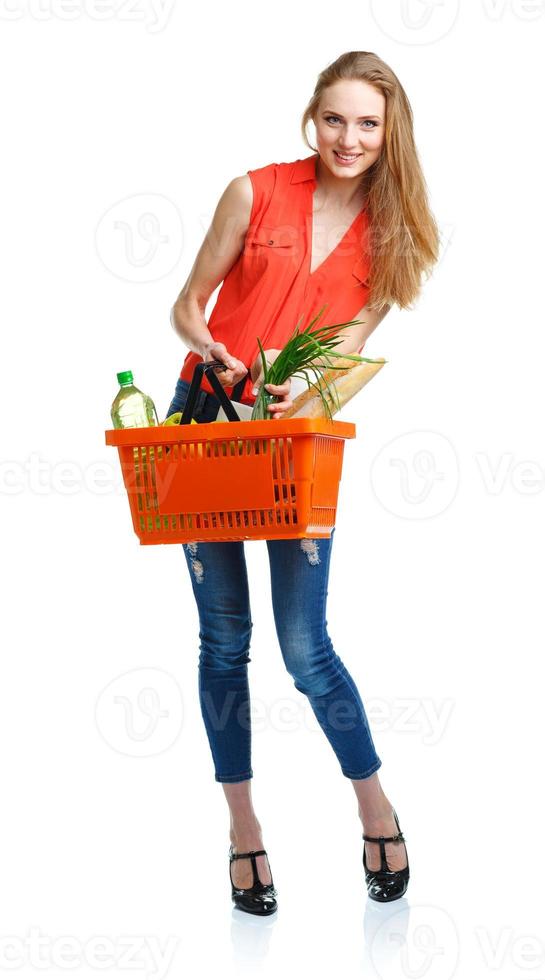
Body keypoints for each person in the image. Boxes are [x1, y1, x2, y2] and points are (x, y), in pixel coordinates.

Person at [167, 50, 439, 914]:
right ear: (309, 118)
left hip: (298, 436)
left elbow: (351, 346)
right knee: (223, 640)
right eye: (335, 118)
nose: (348, 137)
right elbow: (186, 304)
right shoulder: (253, 191)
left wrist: (307, 387)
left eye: (367, 122)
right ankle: (244, 832)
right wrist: (209, 346)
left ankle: (374, 806)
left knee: (304, 648)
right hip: (208, 418)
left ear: (389, 131)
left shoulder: (394, 231)